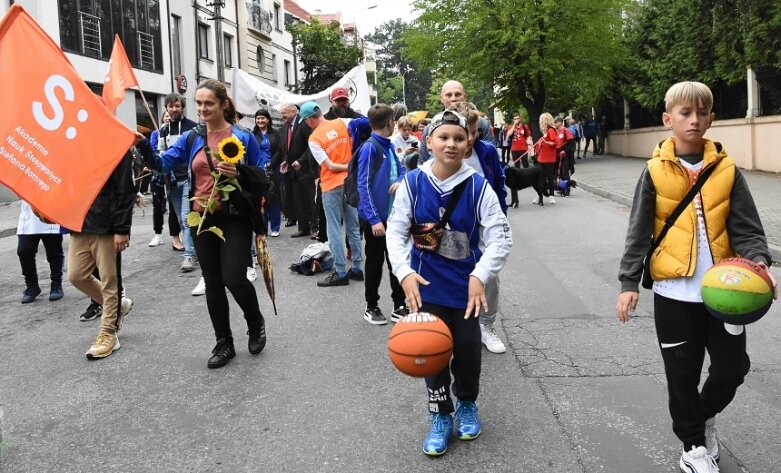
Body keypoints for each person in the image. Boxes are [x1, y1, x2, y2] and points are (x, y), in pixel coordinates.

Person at [616, 81, 777, 473]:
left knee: (732, 369)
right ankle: (692, 447)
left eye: (701, 112)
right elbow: (638, 231)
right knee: (682, 375)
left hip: (727, 292)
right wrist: (627, 284)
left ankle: (701, 418)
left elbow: (749, 229)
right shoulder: (653, 171)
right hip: (674, 292)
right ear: (668, 119)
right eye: (685, 113)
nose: (694, 120)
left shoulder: (727, 169)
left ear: (712, 118)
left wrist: (759, 264)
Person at [387, 110, 512, 456]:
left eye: (459, 138)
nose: (451, 144)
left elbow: (501, 237)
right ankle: (441, 414)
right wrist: (404, 272)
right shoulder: (413, 183)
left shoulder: (477, 185)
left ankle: (467, 403)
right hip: (426, 285)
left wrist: (479, 275)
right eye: (443, 137)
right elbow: (396, 233)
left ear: (468, 142)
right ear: (429, 142)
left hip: (465, 288)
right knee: (429, 352)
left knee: (468, 350)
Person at [138, 79, 268, 369]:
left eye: (208, 103)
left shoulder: (244, 137)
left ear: (223, 104)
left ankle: (254, 319)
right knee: (212, 282)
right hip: (201, 216)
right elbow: (163, 164)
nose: (202, 108)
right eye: (198, 103)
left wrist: (239, 171)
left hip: (234, 216)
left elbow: (262, 177)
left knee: (234, 276)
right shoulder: (192, 137)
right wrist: (143, 148)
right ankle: (224, 342)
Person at [448, 102, 509, 353]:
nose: (471, 138)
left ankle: (487, 325)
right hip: (454, 227)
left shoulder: (487, 152)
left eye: (475, 131)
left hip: (485, 227)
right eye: (467, 132)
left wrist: (501, 219)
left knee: (490, 277)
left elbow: (499, 186)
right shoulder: (444, 151)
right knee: (453, 277)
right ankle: (454, 327)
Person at [69, 139, 137, 360]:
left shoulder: (117, 145)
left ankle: (109, 333)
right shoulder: (74, 143)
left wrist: (121, 228)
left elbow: (125, 191)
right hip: (80, 223)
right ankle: (117, 308)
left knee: (110, 282)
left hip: (107, 227)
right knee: (76, 275)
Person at [301, 101, 363, 287]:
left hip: (331, 185)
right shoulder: (341, 122)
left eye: (306, 121)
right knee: (353, 225)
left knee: (334, 229)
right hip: (350, 183)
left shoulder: (314, 138)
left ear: (309, 120)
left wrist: (347, 167)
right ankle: (358, 268)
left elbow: (330, 166)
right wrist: (352, 168)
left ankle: (341, 272)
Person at [357, 104, 408, 325]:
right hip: (376, 219)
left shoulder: (388, 145)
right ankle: (371, 306)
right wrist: (374, 219)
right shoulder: (370, 148)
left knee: (396, 260)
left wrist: (399, 181)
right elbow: (363, 185)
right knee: (375, 262)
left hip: (394, 217)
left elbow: (402, 169)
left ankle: (399, 305)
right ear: (390, 122)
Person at [157, 93, 199, 271]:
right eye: (171, 106)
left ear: (182, 107)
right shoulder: (164, 130)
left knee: (186, 217)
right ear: (166, 108)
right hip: (171, 181)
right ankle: (195, 249)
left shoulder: (193, 128)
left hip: (189, 178)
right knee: (182, 221)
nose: (174, 109)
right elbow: (161, 153)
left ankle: (189, 255)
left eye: (177, 106)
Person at [418, 80, 492, 165]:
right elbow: (423, 163)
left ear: (465, 96)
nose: (453, 99)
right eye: (448, 95)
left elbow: (491, 159)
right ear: (441, 98)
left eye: (458, 94)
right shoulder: (430, 128)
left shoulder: (482, 124)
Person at [147, 110, 183, 250]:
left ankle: (178, 237)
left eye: (170, 116)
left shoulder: (178, 131)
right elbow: (153, 150)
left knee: (175, 206)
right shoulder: (158, 133)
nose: (168, 118)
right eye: (166, 115)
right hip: (159, 172)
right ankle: (158, 234)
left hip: (175, 173)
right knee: (158, 204)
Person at [282, 103, 319, 238]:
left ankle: (315, 228)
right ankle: (303, 228)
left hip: (307, 168)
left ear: (294, 112)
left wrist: (301, 160)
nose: (282, 116)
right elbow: (287, 147)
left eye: (284, 113)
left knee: (311, 200)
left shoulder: (304, 124)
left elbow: (311, 145)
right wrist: (286, 160)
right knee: (298, 199)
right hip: (293, 170)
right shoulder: (285, 127)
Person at [16, 201, 65, 304]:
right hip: (29, 219)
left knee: (54, 253)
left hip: (51, 214)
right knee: (24, 251)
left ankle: (56, 284)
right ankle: (32, 286)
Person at [253, 109, 283, 237]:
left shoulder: (276, 133)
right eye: (258, 118)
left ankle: (275, 227)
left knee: (274, 198)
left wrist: (271, 163)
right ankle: (263, 227)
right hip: (258, 169)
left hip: (273, 168)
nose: (260, 121)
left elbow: (280, 150)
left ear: (268, 120)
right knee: (262, 199)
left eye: (263, 118)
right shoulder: (252, 134)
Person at [535, 113, 558, 205]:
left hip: (549, 158)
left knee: (549, 177)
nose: (541, 123)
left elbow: (555, 143)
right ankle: (539, 195)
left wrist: (545, 142)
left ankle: (551, 196)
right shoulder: (545, 132)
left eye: (542, 121)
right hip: (542, 158)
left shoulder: (551, 130)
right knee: (540, 178)